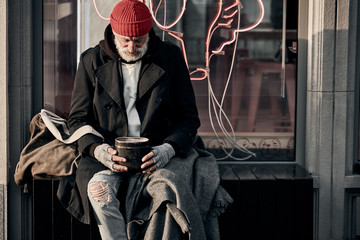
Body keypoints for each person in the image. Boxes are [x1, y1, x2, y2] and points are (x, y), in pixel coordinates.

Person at [57, 0, 232, 239]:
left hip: (156, 151)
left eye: (138, 40)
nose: (131, 47)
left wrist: (167, 150)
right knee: (99, 192)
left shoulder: (169, 57)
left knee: (168, 195)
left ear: (148, 33)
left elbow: (188, 118)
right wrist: (98, 151)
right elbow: (77, 120)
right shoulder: (91, 60)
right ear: (114, 33)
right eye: (125, 40)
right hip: (108, 153)